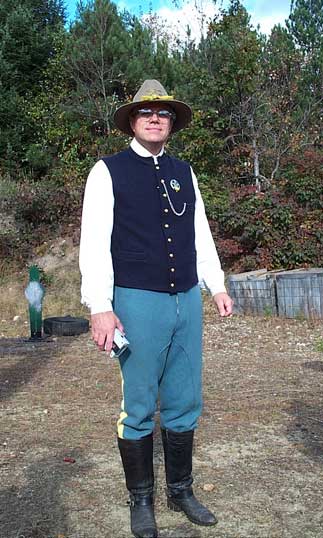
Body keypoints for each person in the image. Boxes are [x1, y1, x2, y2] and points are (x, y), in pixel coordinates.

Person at [79, 79, 233, 538]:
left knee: (185, 399)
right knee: (140, 403)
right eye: (145, 111)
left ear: (171, 123)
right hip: (136, 301)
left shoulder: (184, 172)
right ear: (132, 119)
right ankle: (141, 500)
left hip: (186, 298)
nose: (154, 117)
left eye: (162, 112)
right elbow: (94, 245)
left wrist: (217, 284)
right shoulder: (107, 171)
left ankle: (181, 491)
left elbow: (200, 233)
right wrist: (100, 307)